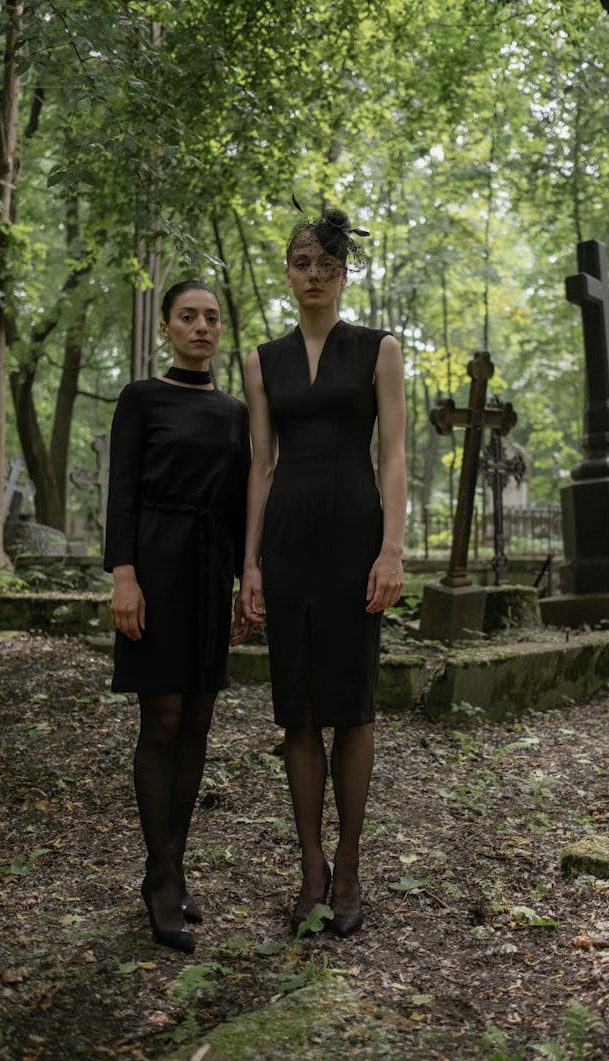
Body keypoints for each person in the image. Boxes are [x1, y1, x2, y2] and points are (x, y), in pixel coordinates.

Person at [239, 207, 406, 937]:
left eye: (326, 266)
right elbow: (261, 464)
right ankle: (308, 864)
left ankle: (348, 863)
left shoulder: (379, 348)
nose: (313, 276)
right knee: (298, 709)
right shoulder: (261, 361)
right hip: (286, 545)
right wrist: (248, 563)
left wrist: (393, 547)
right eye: (301, 263)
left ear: (344, 274)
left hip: (354, 541)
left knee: (353, 706)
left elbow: (393, 455)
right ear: (287, 271)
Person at [104, 280, 251, 954]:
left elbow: (241, 503)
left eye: (211, 318)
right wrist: (124, 575)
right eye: (188, 316)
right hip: (154, 565)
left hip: (208, 567)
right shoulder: (141, 398)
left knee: (197, 719)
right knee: (160, 717)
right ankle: (160, 878)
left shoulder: (235, 412)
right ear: (166, 327)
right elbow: (124, 491)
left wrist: (243, 581)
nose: (201, 327)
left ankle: (172, 862)